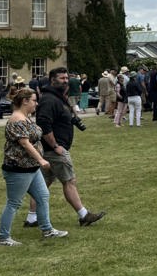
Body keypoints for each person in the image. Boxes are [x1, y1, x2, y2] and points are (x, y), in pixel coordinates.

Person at [34, 68, 105, 229]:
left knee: (42, 184)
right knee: (69, 181)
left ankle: (32, 218)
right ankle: (84, 215)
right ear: (52, 80)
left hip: (51, 149)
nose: (65, 81)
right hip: (54, 150)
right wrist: (56, 146)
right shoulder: (50, 100)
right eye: (62, 78)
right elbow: (44, 124)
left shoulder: (56, 97)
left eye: (67, 78)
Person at [0, 87, 65, 245]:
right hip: (18, 169)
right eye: (34, 100)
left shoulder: (25, 117)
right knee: (14, 203)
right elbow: (25, 143)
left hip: (31, 168)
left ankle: (47, 230)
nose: (36, 103)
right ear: (25, 101)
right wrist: (41, 160)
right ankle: (4, 237)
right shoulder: (16, 119)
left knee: (43, 197)